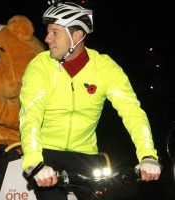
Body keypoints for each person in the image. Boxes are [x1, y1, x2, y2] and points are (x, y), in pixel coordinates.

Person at [19, 1, 161, 199]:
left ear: (76, 36)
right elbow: (30, 115)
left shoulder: (105, 68)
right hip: (46, 155)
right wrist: (34, 162)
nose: (47, 38)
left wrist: (148, 155)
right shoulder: (39, 67)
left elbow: (132, 112)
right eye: (48, 32)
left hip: (85, 156)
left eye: (55, 32)